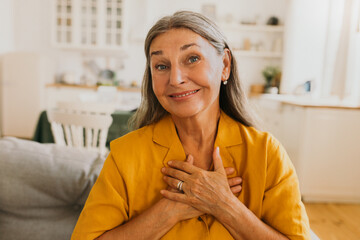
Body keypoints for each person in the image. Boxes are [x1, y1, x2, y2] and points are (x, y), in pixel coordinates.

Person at [72, 11, 310, 240]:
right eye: (161, 66)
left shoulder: (267, 153)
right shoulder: (125, 156)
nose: (175, 79)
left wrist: (224, 205)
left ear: (225, 65)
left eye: (192, 59)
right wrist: (171, 209)